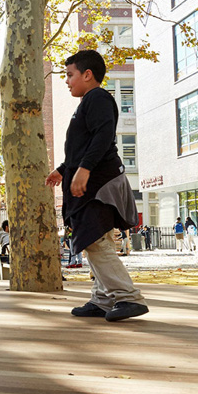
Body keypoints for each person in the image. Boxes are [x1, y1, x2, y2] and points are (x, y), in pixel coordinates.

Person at [45, 49, 148, 322]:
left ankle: (127, 297)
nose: (67, 81)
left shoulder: (98, 98)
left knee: (95, 240)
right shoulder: (89, 102)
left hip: (99, 184)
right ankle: (103, 299)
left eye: (70, 75)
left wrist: (84, 170)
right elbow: (83, 147)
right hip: (95, 180)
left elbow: (103, 137)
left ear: (87, 75)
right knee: (96, 240)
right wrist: (64, 170)